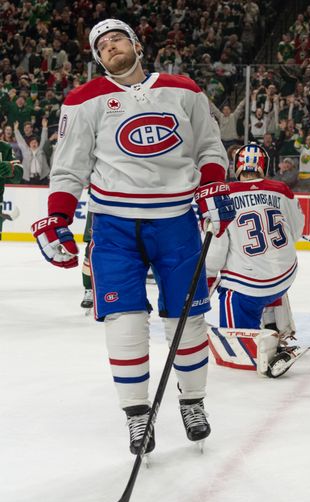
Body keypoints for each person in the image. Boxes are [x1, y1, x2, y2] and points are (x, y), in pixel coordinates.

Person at [30, 19, 232, 454]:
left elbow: (210, 148)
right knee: (124, 322)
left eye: (117, 39)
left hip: (177, 221)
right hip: (113, 228)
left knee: (188, 319)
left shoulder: (184, 89)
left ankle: (192, 402)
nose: (110, 47)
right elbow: (68, 167)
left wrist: (213, 185)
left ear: (138, 45)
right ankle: (138, 416)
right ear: (97, 58)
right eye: (101, 46)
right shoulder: (83, 100)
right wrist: (57, 217)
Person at [205, 144, 306, 377]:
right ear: (264, 166)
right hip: (285, 277)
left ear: (237, 167)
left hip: (249, 289)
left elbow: (216, 253)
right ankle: (278, 326)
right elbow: (297, 231)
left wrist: (205, 288)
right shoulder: (281, 189)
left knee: (234, 307)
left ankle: (263, 346)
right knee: (272, 270)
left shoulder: (224, 195)